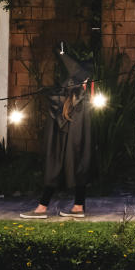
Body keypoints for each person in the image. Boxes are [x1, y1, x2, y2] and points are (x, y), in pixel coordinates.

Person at [20, 50, 93, 219]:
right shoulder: (74, 99)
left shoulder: (76, 100)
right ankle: (75, 206)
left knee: (69, 165)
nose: (86, 83)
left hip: (70, 144)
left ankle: (45, 208)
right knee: (75, 165)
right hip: (71, 144)